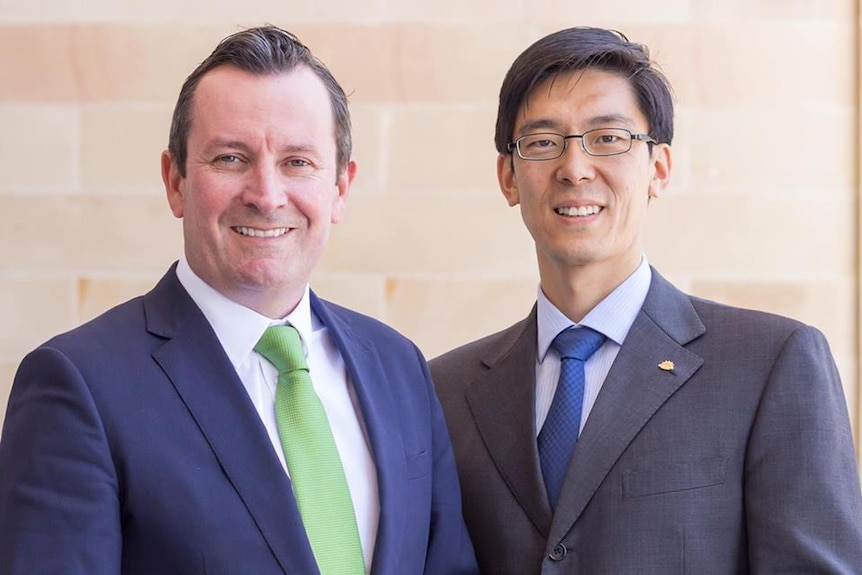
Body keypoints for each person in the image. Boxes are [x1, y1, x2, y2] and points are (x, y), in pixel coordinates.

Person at [0, 25, 477, 575]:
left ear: (341, 188)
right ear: (175, 180)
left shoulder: (399, 368)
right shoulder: (79, 386)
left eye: (298, 162)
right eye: (230, 158)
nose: (267, 195)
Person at [429, 26, 862, 574]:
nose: (575, 168)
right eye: (542, 143)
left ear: (658, 169)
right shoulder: (444, 390)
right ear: (508, 177)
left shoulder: (772, 362)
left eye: (608, 138)